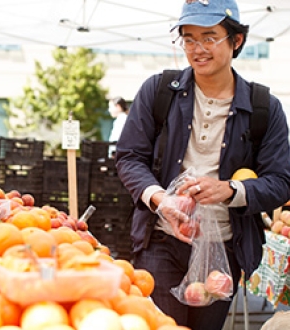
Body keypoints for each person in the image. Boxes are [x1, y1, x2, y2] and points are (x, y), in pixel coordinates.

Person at [115, 1, 290, 329]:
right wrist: (160, 199)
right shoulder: (159, 91)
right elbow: (128, 156)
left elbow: (281, 181)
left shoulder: (264, 107)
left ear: (236, 40)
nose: (197, 49)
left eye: (209, 38)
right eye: (189, 39)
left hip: (223, 248)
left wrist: (231, 190)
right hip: (160, 242)